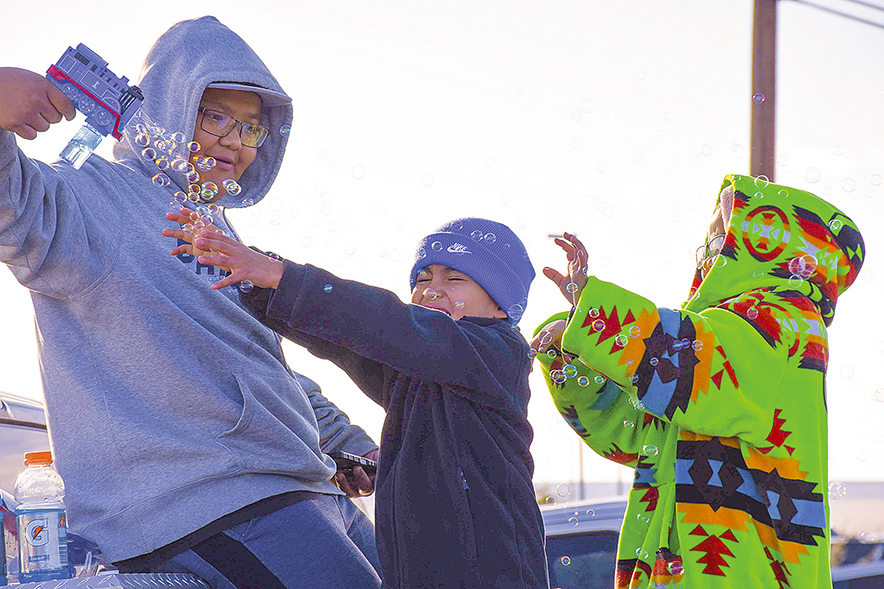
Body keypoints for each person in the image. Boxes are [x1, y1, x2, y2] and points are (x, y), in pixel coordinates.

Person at [0, 16, 383, 588]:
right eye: (215, 115)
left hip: (299, 484)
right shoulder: (89, 200)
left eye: (252, 127)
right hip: (199, 506)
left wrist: (341, 437)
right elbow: (15, 207)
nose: (234, 139)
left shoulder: (217, 230)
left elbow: (255, 362)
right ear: (168, 109)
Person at [166, 215, 551, 587]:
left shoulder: (499, 353)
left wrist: (281, 276)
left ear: (500, 306)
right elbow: (348, 338)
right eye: (422, 278)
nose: (431, 289)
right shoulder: (418, 369)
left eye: (455, 278)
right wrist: (256, 280)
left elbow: (385, 324)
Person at [531, 174, 864, 589]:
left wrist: (594, 316)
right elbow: (634, 432)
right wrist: (572, 353)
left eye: (719, 241)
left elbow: (693, 367)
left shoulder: (785, 325)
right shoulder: (714, 339)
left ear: (764, 244)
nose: (706, 256)